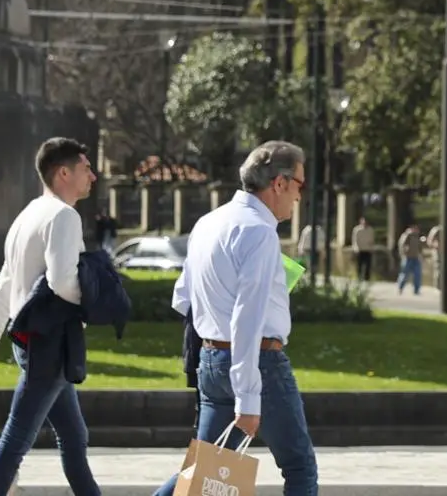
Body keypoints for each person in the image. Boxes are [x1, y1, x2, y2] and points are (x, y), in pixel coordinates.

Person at [153, 142, 319, 496]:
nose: (299, 196)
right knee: (300, 467)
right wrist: (247, 398)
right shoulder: (259, 232)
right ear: (279, 183)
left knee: (200, 475)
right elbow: (248, 319)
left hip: (212, 360)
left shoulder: (209, 222)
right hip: (259, 362)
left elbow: (182, 297)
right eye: (300, 185)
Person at [0, 138, 103, 496]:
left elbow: (3, 288)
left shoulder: (27, 215)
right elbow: (62, 282)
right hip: (51, 346)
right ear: (63, 173)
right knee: (15, 441)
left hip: (31, 343)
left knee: (74, 437)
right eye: (86, 168)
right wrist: (96, 301)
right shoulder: (63, 216)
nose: (94, 175)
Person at [395, 224, 424, 295]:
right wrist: (404, 253)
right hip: (408, 258)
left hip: (416, 257)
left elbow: (420, 247)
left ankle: (416, 290)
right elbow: (402, 245)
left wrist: (420, 254)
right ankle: (400, 288)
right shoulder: (407, 235)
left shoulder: (417, 237)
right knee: (404, 274)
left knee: (417, 274)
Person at [350, 216, 376, 282]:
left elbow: (372, 240)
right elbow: (355, 240)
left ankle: (367, 279)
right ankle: (359, 278)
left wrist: (372, 248)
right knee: (359, 265)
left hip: (367, 249)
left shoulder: (370, 230)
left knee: (368, 265)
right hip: (359, 250)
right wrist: (356, 248)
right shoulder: (357, 230)